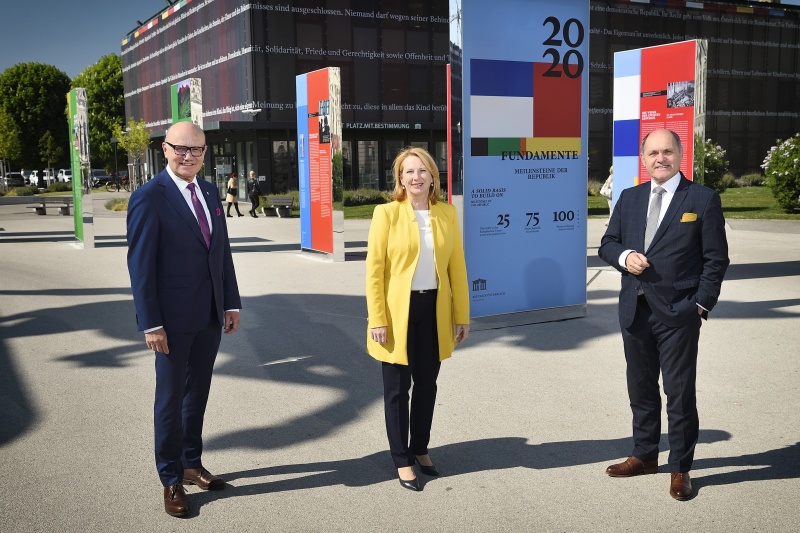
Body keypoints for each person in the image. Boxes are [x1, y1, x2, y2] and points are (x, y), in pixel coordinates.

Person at [598, 128, 729, 501]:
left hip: (679, 313)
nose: (660, 158)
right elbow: (608, 243)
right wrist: (624, 258)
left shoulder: (702, 199)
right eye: (653, 152)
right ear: (644, 158)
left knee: (679, 393)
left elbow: (715, 259)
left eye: (667, 151)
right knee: (640, 389)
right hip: (634, 311)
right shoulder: (629, 197)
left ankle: (681, 467)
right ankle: (644, 455)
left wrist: (700, 304)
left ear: (679, 153)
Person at [126, 121, 242, 517]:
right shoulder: (148, 198)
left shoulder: (209, 191)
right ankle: (170, 478)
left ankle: (192, 463)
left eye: (196, 150)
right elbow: (140, 267)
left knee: (198, 394)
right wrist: (151, 322)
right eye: (181, 149)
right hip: (171, 322)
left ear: (205, 153)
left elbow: (220, 253)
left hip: (209, 314)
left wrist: (230, 302)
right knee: (170, 399)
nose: (188, 156)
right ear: (164, 149)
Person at [365, 146, 470, 492]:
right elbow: (375, 271)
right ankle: (401, 460)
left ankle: (420, 449)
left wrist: (461, 315)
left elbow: (457, 268)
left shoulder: (447, 214)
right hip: (396, 314)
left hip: (434, 311)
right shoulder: (386, 214)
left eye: (422, 170)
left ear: (432, 177)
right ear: (400, 178)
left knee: (427, 386)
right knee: (397, 391)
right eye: (409, 172)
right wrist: (377, 318)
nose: (416, 177)